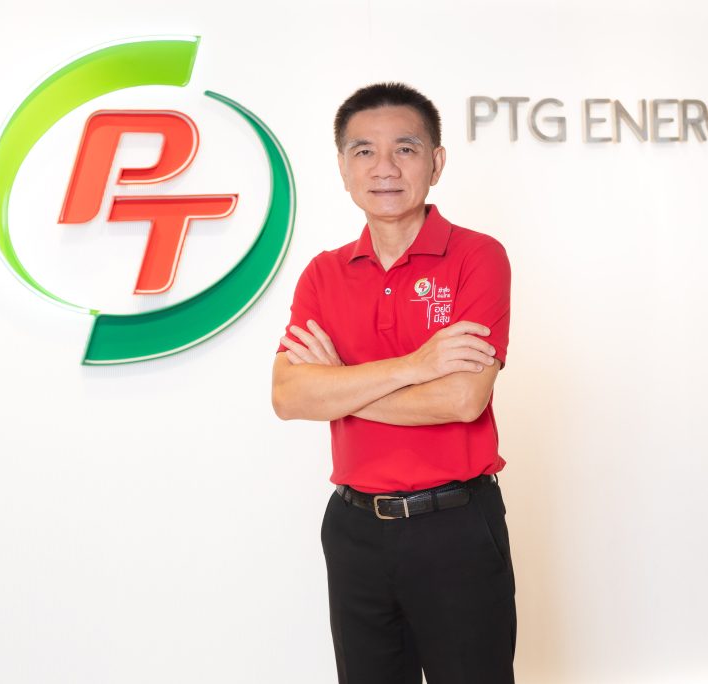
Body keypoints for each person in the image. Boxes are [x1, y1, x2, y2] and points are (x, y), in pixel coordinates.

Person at [271, 82, 515, 684]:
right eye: (364, 152)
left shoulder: (476, 257)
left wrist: (338, 385)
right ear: (342, 167)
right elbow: (289, 396)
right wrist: (415, 366)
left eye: (405, 149)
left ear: (436, 162)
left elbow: (462, 399)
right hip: (353, 529)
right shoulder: (324, 273)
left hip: (454, 526)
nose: (384, 168)